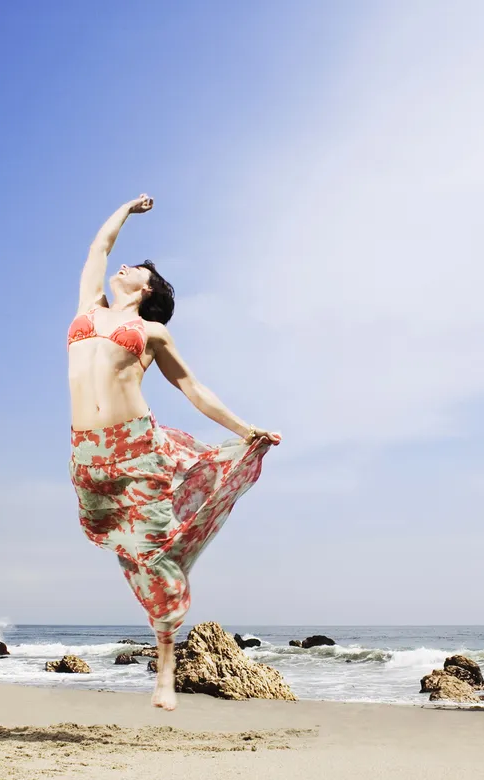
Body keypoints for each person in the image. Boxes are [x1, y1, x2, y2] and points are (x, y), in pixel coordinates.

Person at [67, 194, 279, 710]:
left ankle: (164, 667)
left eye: (136, 268)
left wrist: (247, 427)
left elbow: (194, 390)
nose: (124, 265)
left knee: (154, 550)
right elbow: (99, 245)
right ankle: (160, 628)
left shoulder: (152, 332)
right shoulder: (87, 309)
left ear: (148, 290)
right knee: (122, 548)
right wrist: (125, 208)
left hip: (136, 448)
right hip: (87, 454)